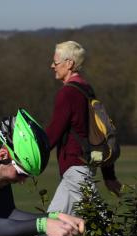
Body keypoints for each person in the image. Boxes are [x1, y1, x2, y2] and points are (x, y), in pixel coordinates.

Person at [45, 41, 122, 215]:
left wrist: (24, 162)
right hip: (80, 166)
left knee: (101, 224)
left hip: (75, 167)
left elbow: (53, 134)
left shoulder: (67, 93)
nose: (52, 66)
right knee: (52, 223)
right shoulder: (86, 89)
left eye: (55, 63)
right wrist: (109, 175)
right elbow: (100, 134)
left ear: (69, 63)